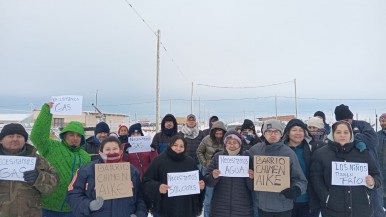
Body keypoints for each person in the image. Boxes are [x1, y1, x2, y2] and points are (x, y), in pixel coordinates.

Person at [30, 102, 91, 217]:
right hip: (48, 206)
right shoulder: (52, 147)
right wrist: (47, 112)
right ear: (64, 136)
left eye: (78, 135)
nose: (75, 138)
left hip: (72, 208)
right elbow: (37, 136)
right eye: (71, 134)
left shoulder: (85, 156)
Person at [310, 121, 381, 217]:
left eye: (346, 132)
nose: (342, 135)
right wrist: (327, 197)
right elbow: (316, 179)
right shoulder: (321, 154)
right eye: (338, 132)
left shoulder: (362, 153)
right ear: (332, 134)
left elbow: (376, 174)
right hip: (333, 210)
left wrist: (373, 182)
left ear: (351, 134)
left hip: (361, 209)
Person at [67, 136, 147, 217]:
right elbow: (73, 194)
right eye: (108, 149)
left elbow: (141, 198)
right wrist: (88, 205)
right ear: (101, 151)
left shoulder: (132, 171)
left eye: (115, 149)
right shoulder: (86, 170)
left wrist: (139, 214)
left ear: (121, 151)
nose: (111, 152)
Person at [248, 119, 307, 217]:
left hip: (283, 206)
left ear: (281, 134)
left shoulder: (288, 153)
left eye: (276, 131)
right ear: (264, 133)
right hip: (263, 205)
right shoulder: (256, 150)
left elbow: (301, 180)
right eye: (269, 131)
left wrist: (296, 189)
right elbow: (242, 161)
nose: (272, 134)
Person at [334, 104, 384, 217]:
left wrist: (355, 137)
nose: (347, 122)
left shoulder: (363, 125)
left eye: (348, 119)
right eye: (343, 120)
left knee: (376, 205)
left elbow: (373, 140)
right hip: (350, 176)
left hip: (370, 172)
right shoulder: (337, 130)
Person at [0, 123, 59, 217]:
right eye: (10, 136)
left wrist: (39, 178)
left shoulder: (38, 160)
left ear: (25, 140)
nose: (15, 139)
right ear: (1, 140)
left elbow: (54, 183)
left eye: (19, 136)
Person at [142, 135, 205, 217]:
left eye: (181, 146)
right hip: (165, 209)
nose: (178, 148)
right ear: (170, 145)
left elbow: (199, 181)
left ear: (185, 148)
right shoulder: (159, 161)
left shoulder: (190, 162)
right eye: (175, 145)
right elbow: (146, 181)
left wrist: (201, 185)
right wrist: (158, 187)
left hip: (186, 209)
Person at [206, 130, 254, 217]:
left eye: (235, 142)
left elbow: (253, 187)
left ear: (240, 143)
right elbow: (208, 182)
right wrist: (213, 176)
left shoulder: (247, 158)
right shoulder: (217, 157)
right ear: (225, 144)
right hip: (220, 208)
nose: (232, 145)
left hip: (242, 208)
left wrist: (251, 178)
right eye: (229, 143)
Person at [282, 119, 320, 217]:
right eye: (294, 130)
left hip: (308, 200)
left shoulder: (314, 148)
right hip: (284, 200)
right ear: (288, 132)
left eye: (301, 130)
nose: (298, 133)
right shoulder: (279, 150)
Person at [196, 120, 226, 217]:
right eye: (216, 133)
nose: (218, 135)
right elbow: (199, 151)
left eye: (220, 133)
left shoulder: (227, 140)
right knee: (208, 199)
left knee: (222, 198)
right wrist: (204, 163)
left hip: (223, 173)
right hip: (209, 172)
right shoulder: (206, 139)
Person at [376, 113, 386, 209]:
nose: (383, 122)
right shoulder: (376, 136)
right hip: (380, 170)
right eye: (381, 120)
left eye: (384, 120)